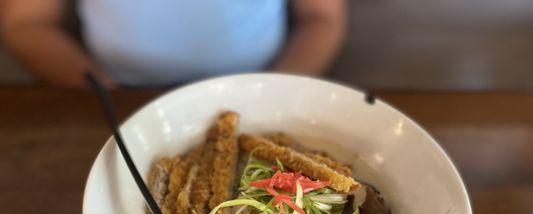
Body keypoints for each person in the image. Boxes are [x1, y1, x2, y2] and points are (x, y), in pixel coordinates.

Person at [0, 0, 346, 88]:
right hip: (117, 95)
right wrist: (105, 94)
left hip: (261, 87)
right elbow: (26, 23)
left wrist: (275, 91)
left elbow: (321, 18)